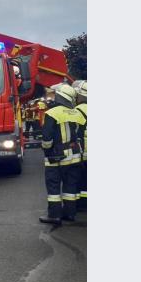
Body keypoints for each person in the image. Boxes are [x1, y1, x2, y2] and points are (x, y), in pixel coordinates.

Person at [39, 84, 86, 225]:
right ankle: (69, 214)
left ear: (59, 96)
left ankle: (54, 215)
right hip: (75, 156)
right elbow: (79, 133)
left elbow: (47, 138)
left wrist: (47, 151)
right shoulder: (77, 113)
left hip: (56, 157)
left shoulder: (52, 113)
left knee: (54, 187)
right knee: (70, 187)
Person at [72, 80, 88, 211]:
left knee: (82, 179)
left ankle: (81, 205)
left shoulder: (78, 111)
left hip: (84, 153)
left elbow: (74, 132)